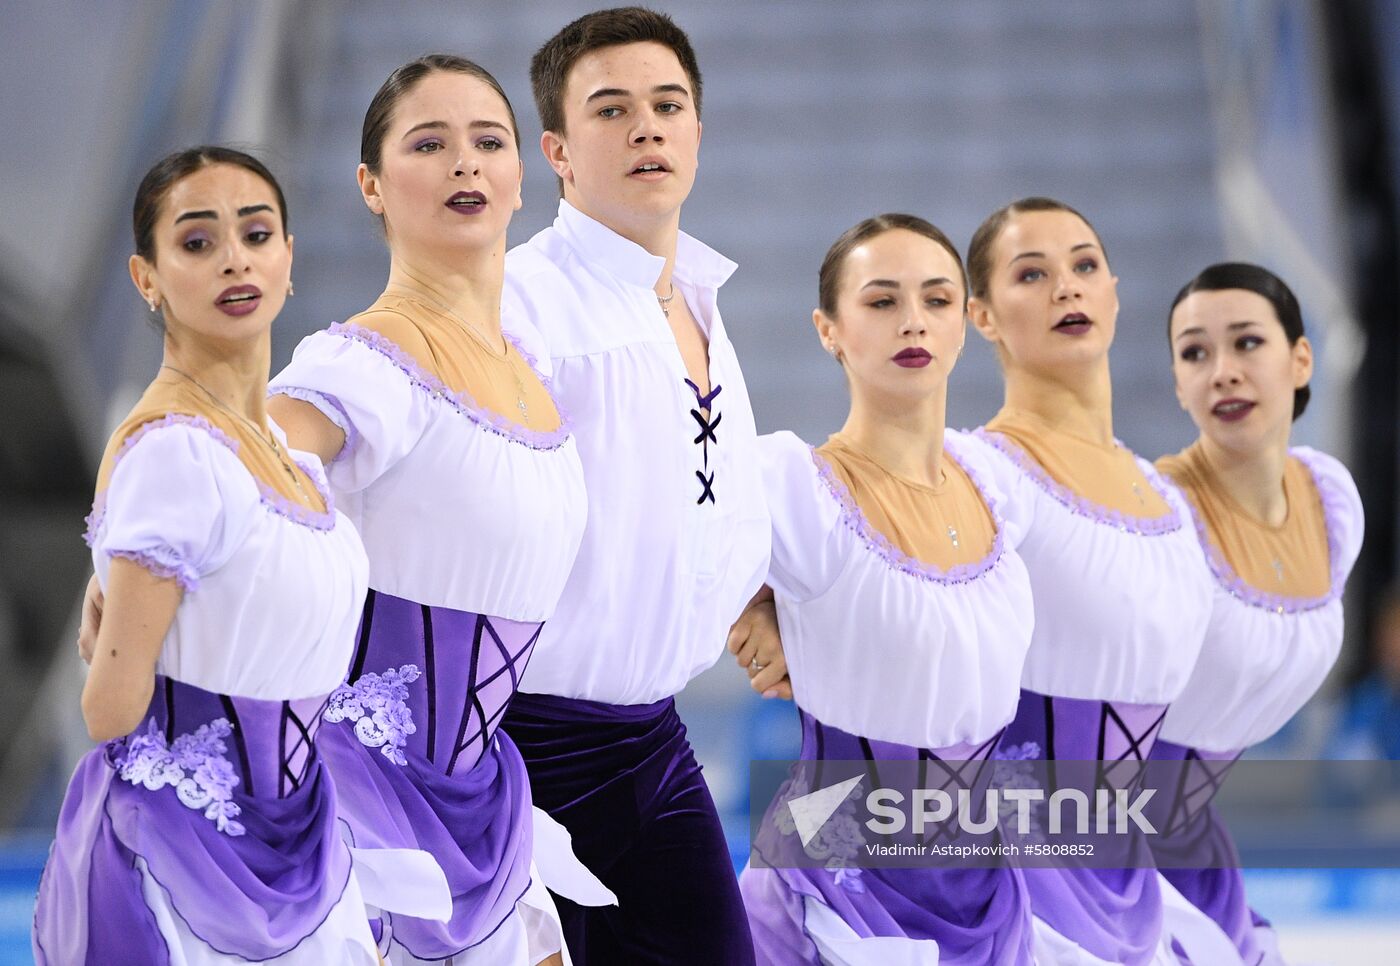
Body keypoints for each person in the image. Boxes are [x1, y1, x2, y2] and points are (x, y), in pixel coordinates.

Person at [267, 55, 610, 966]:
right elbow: (248, 448)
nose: (465, 162)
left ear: (520, 172)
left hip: (485, 795)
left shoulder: (529, 364)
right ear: (372, 187)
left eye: (487, 141)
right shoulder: (364, 363)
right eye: (430, 143)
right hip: (355, 790)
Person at [34, 147, 382, 964]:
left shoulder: (284, 456)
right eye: (197, 242)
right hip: (190, 852)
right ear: (145, 277)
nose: (234, 257)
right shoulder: (173, 455)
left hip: (308, 834)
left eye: (256, 234)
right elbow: (108, 707)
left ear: (289, 260)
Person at [497, 8, 771, 963]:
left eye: (668, 105)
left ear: (699, 129)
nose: (647, 127)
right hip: (520, 753)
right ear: (558, 151)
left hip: (653, 742)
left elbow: (702, 488)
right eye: (611, 110)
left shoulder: (694, 293)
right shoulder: (515, 300)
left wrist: (757, 591)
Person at [736, 214, 1038, 965]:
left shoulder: (999, 483)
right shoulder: (793, 488)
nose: (913, 321)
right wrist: (748, 609)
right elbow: (660, 550)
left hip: (987, 889)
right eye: (881, 301)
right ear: (829, 329)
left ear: (966, 322)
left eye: (937, 299)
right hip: (835, 888)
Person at [962, 197, 1220, 965]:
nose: (1065, 288)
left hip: (1130, 872)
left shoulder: (1169, 498)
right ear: (982, 315)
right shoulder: (979, 472)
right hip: (1006, 865)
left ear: (1114, 289)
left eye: (1083, 267)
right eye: (1030, 274)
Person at [1149, 262, 1365, 963]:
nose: (1222, 372)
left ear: (1301, 358)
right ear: (1180, 385)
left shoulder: (1331, 500)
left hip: (1190, 839)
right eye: (1195, 353)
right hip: (1082, 838)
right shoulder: (1153, 513)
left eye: (1246, 343)